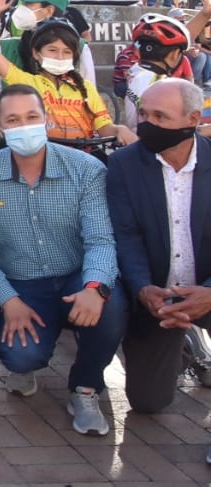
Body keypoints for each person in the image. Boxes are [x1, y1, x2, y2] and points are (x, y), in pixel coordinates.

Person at [0, 84, 125, 436]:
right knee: (21, 357)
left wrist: (94, 287)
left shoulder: (86, 169)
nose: (24, 126)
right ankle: (30, 359)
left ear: (46, 119)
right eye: (13, 120)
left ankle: (85, 388)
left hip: (76, 275)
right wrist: (8, 300)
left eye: (32, 117)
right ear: (1, 130)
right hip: (23, 284)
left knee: (111, 307)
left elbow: (100, 239)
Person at [105, 80, 211, 432]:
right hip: (157, 295)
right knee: (148, 401)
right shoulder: (124, 165)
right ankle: (179, 344)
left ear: (192, 118)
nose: (146, 124)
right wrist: (142, 289)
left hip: (207, 290)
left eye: (159, 117)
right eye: (144, 114)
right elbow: (126, 235)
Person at [0, 0, 135, 146]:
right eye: (52, 50)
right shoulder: (28, 83)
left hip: (81, 160)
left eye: (67, 52)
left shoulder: (86, 88)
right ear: (36, 54)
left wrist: (119, 129)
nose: (60, 57)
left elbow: (104, 129)